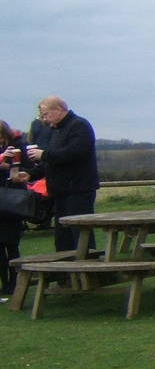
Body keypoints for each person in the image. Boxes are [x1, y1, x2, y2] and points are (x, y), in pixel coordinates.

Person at [27, 96, 99, 254]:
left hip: (78, 190)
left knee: (80, 235)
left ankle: (88, 272)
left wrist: (44, 154)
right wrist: (29, 175)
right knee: (63, 238)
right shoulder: (56, 130)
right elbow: (52, 160)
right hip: (60, 192)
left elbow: (74, 153)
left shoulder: (79, 126)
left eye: (45, 114)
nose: (44, 119)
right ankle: (66, 276)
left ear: (58, 110)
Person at [0, 121, 30, 301]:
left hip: (12, 202)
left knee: (11, 244)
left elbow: (26, 168)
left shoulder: (19, 147)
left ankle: (15, 282)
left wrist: (10, 167)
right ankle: (5, 283)